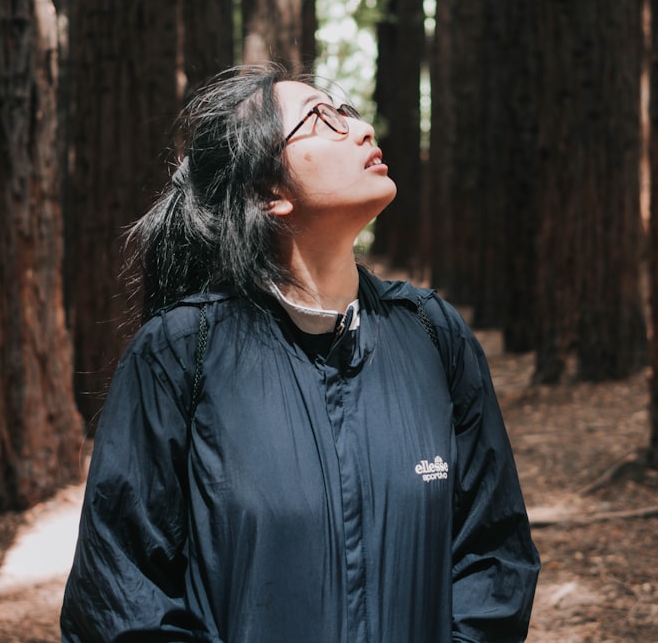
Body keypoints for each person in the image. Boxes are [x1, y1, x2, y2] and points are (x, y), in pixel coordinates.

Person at [60, 65, 540, 643]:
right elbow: (121, 597)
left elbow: (494, 556)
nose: (359, 130)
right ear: (269, 194)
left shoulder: (433, 335)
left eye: (347, 113)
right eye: (320, 120)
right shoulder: (181, 354)